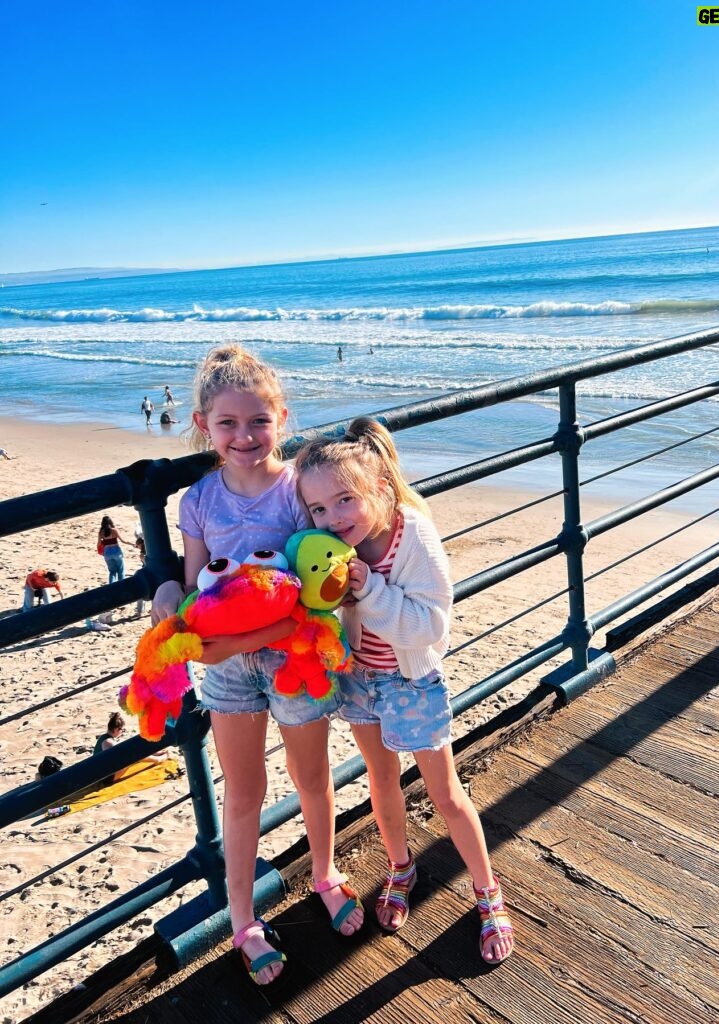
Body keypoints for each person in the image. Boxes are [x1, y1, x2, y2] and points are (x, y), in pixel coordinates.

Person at [150, 343, 363, 985]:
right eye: (228, 424)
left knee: (313, 779)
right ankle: (242, 918)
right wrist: (168, 597)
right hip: (227, 674)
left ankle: (324, 873)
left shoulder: (302, 491)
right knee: (242, 795)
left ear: (283, 419)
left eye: (259, 422)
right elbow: (195, 586)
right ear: (203, 427)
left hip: (293, 655)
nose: (245, 436)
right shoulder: (198, 502)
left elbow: (320, 582)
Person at [294, 417, 515, 965]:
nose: (331, 518)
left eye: (345, 500)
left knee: (445, 791)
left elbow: (429, 628)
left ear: (381, 491)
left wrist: (369, 591)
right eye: (318, 509)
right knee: (381, 780)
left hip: (410, 680)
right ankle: (400, 866)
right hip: (359, 680)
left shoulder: (411, 534)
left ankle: (487, 892)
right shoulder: (325, 545)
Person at [93, 711, 169, 784]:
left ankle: (155, 754)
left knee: (132, 750)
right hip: (107, 778)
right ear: (116, 729)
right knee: (133, 756)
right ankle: (157, 760)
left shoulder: (104, 737)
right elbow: (121, 756)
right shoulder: (108, 742)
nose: (122, 732)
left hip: (104, 774)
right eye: (122, 730)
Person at [97, 515, 134, 584]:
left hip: (107, 552)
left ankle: (112, 588)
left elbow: (98, 544)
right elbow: (123, 541)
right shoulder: (114, 530)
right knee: (121, 570)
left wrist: (101, 549)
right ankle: (121, 586)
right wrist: (132, 544)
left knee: (112, 572)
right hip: (116, 551)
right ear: (110, 522)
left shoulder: (101, 532)